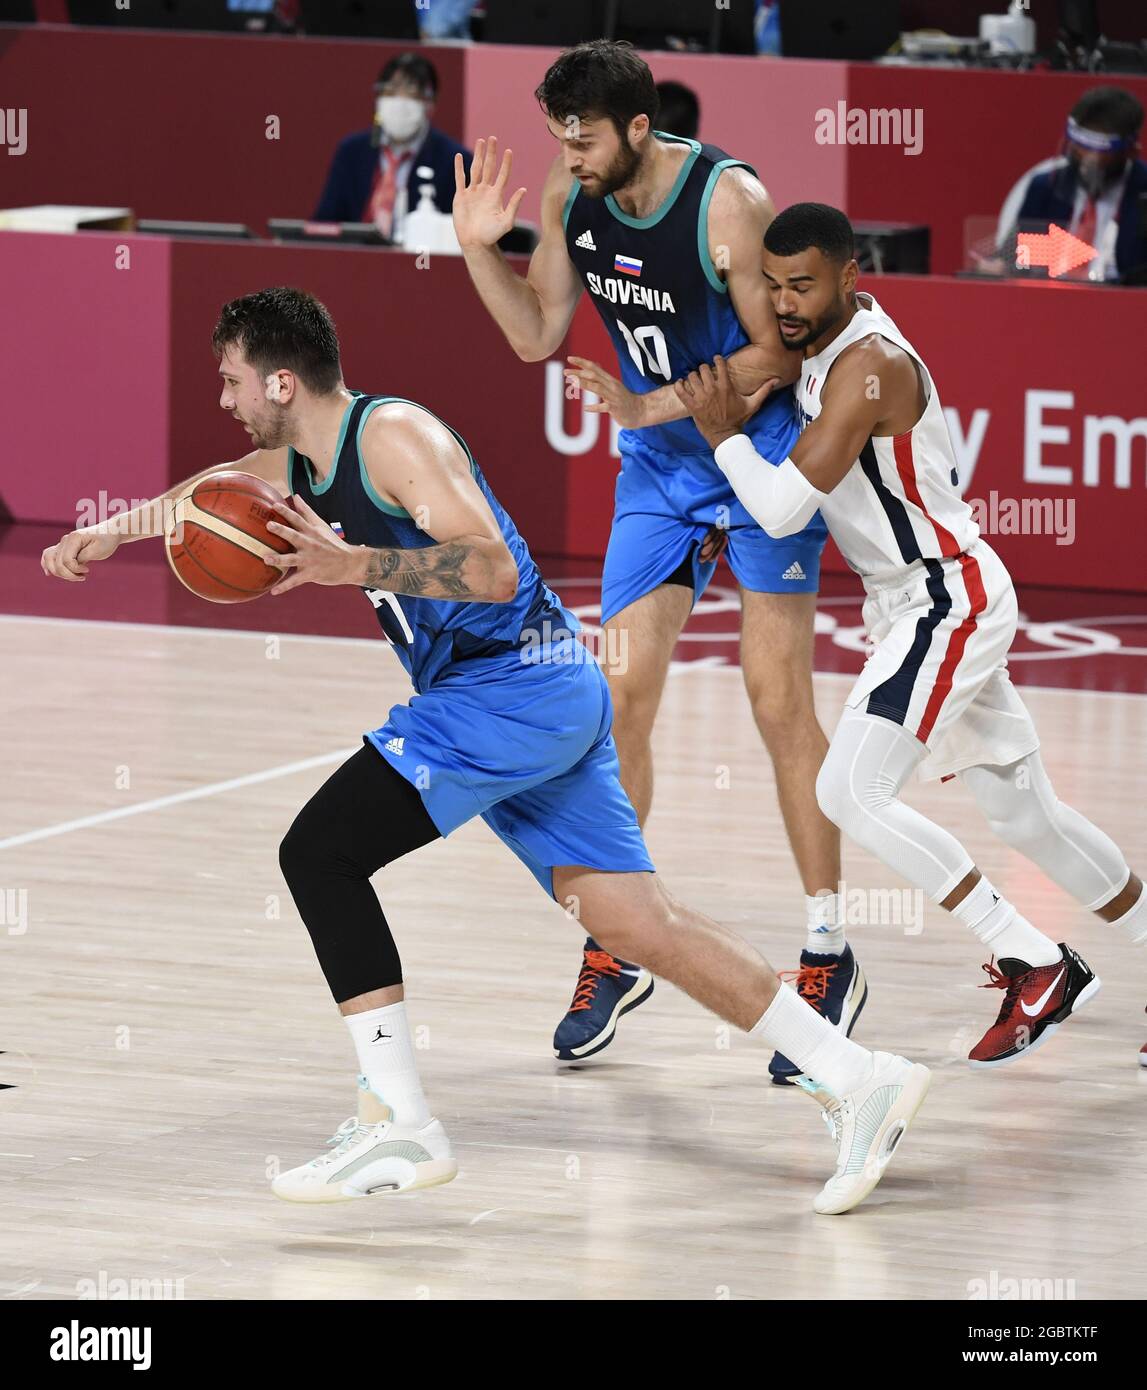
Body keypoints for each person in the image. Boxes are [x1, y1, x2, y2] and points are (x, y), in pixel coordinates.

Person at [39, 286, 931, 1214]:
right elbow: (212, 491)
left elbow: (493, 566)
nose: (223, 399)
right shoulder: (299, 458)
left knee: (319, 852)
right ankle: (860, 1074)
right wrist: (116, 528)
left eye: (230, 381)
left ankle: (400, 1123)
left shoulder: (392, 439)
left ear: (281, 380)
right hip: (540, 694)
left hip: (508, 688)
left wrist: (359, 566)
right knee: (638, 925)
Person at [453, 40, 850, 1080]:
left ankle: (826, 950)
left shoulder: (729, 203)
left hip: (756, 451)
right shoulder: (572, 188)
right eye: (558, 139)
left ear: (639, 128)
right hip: (661, 473)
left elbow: (777, 355)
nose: (568, 157)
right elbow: (540, 331)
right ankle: (618, 941)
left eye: (583, 139)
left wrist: (643, 403)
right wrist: (472, 251)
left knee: (777, 705)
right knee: (617, 699)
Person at [673, 203, 1147, 1067]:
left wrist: (722, 441)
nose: (782, 302)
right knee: (1025, 815)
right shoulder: (816, 347)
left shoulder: (870, 365)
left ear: (851, 277)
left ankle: (1032, 961)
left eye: (801, 285)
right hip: (917, 599)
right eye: (773, 284)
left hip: (942, 599)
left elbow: (780, 510)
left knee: (847, 792)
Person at [995, 86, 1147, 284]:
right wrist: (1003, 266)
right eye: (1080, 143)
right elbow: (1019, 259)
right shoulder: (1045, 187)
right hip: (1050, 300)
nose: (1087, 157)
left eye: (1100, 147)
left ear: (1130, 151)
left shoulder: (1142, 192)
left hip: (1125, 305)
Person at [313, 53, 472, 240]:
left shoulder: (455, 161)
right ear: (378, 98)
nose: (400, 101)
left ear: (431, 104)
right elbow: (325, 224)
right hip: (354, 261)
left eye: (412, 93)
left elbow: (463, 238)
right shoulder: (351, 151)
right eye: (390, 91)